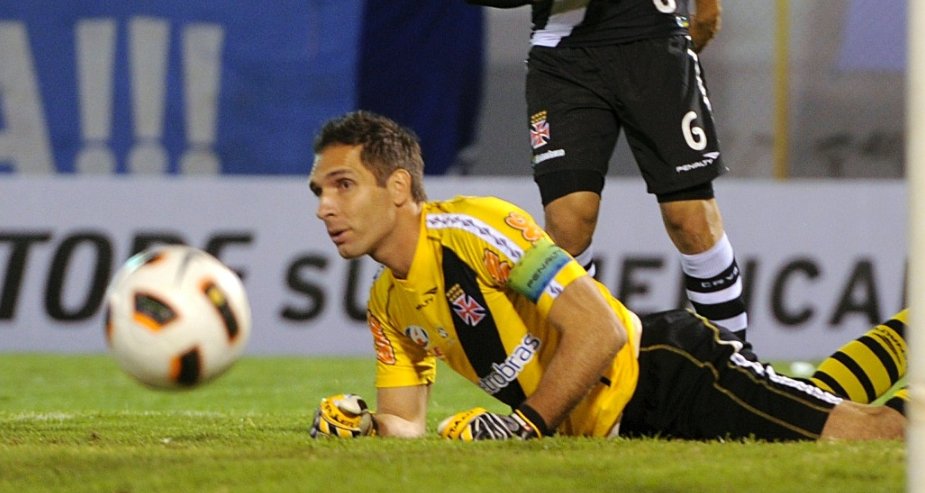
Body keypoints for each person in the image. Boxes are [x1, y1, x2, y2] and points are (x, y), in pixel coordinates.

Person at [306, 110, 906, 441]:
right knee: (819, 401)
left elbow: (600, 330)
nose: (325, 208)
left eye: (343, 185)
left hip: (666, 378)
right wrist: (365, 427)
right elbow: (407, 423)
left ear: (399, 187)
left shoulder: (475, 228)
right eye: (319, 192)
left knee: (878, 437)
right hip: (624, 434)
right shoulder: (388, 303)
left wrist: (521, 426)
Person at [466, 0, 749, 340]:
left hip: (655, 41)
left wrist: (704, 10)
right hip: (563, 55)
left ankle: (736, 355)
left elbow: (706, 19)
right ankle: (592, 354)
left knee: (689, 220)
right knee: (568, 225)